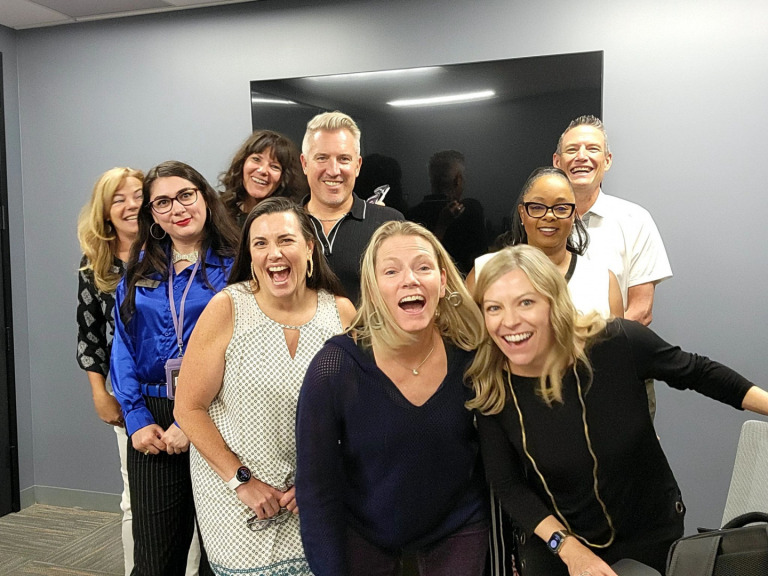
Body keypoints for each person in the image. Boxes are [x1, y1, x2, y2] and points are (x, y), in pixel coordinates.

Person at [468, 245, 768, 575]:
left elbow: (698, 372)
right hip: (559, 544)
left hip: (651, 533)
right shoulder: (492, 387)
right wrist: (568, 549)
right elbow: (508, 485)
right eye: (494, 307)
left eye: (526, 302)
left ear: (553, 301)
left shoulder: (616, 342)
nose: (510, 321)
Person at [296, 220, 490, 576]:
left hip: (458, 531)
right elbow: (316, 489)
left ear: (442, 281)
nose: (409, 280)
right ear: (373, 287)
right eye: (391, 271)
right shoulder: (335, 367)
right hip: (365, 536)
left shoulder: (472, 358)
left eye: (423, 267)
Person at [174, 197, 355, 575]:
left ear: (309, 247)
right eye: (260, 243)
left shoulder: (340, 313)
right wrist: (242, 481)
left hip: (312, 500)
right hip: (238, 500)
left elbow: (354, 416)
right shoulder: (227, 308)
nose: (274, 253)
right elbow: (188, 408)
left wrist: (322, 479)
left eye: (286, 240)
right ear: (250, 254)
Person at [111, 160, 238, 575]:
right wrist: (135, 417)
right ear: (152, 215)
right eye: (162, 202)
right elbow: (123, 345)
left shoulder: (238, 264)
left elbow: (243, 348)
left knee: (222, 557)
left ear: (205, 197)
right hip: (154, 418)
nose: (177, 208)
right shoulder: (139, 268)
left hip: (218, 414)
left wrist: (192, 417)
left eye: (185, 195)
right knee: (155, 560)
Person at [76, 167, 143, 574]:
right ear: (105, 210)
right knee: (133, 498)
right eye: (119, 199)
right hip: (124, 394)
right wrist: (100, 393)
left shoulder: (168, 251)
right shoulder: (94, 265)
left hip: (178, 389)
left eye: (137, 195)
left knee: (187, 495)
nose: (130, 205)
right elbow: (89, 336)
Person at [552, 116, 670, 325]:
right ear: (557, 162)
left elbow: (641, 311)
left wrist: (588, 343)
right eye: (572, 150)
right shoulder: (539, 223)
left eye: (592, 149)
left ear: (607, 161)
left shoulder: (635, 220)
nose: (581, 156)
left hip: (612, 343)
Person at [467, 167, 623, 319]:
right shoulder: (485, 271)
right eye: (537, 207)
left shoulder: (603, 280)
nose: (549, 216)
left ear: (574, 215)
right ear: (522, 213)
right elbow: (466, 333)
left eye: (561, 208)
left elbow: (618, 337)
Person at [301, 111, 403, 304]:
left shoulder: (389, 224)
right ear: (304, 163)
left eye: (344, 159)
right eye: (322, 158)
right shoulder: (285, 225)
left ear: (357, 165)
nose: (333, 170)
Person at [408, 150, 487, 275]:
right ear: (458, 180)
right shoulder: (471, 210)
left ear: (431, 179)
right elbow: (479, 258)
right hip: (464, 281)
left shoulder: (412, 214)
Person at [220, 129, 308, 229]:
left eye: (274, 166)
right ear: (242, 163)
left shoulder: (292, 222)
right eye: (256, 159)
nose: (263, 170)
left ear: (284, 178)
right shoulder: (219, 214)